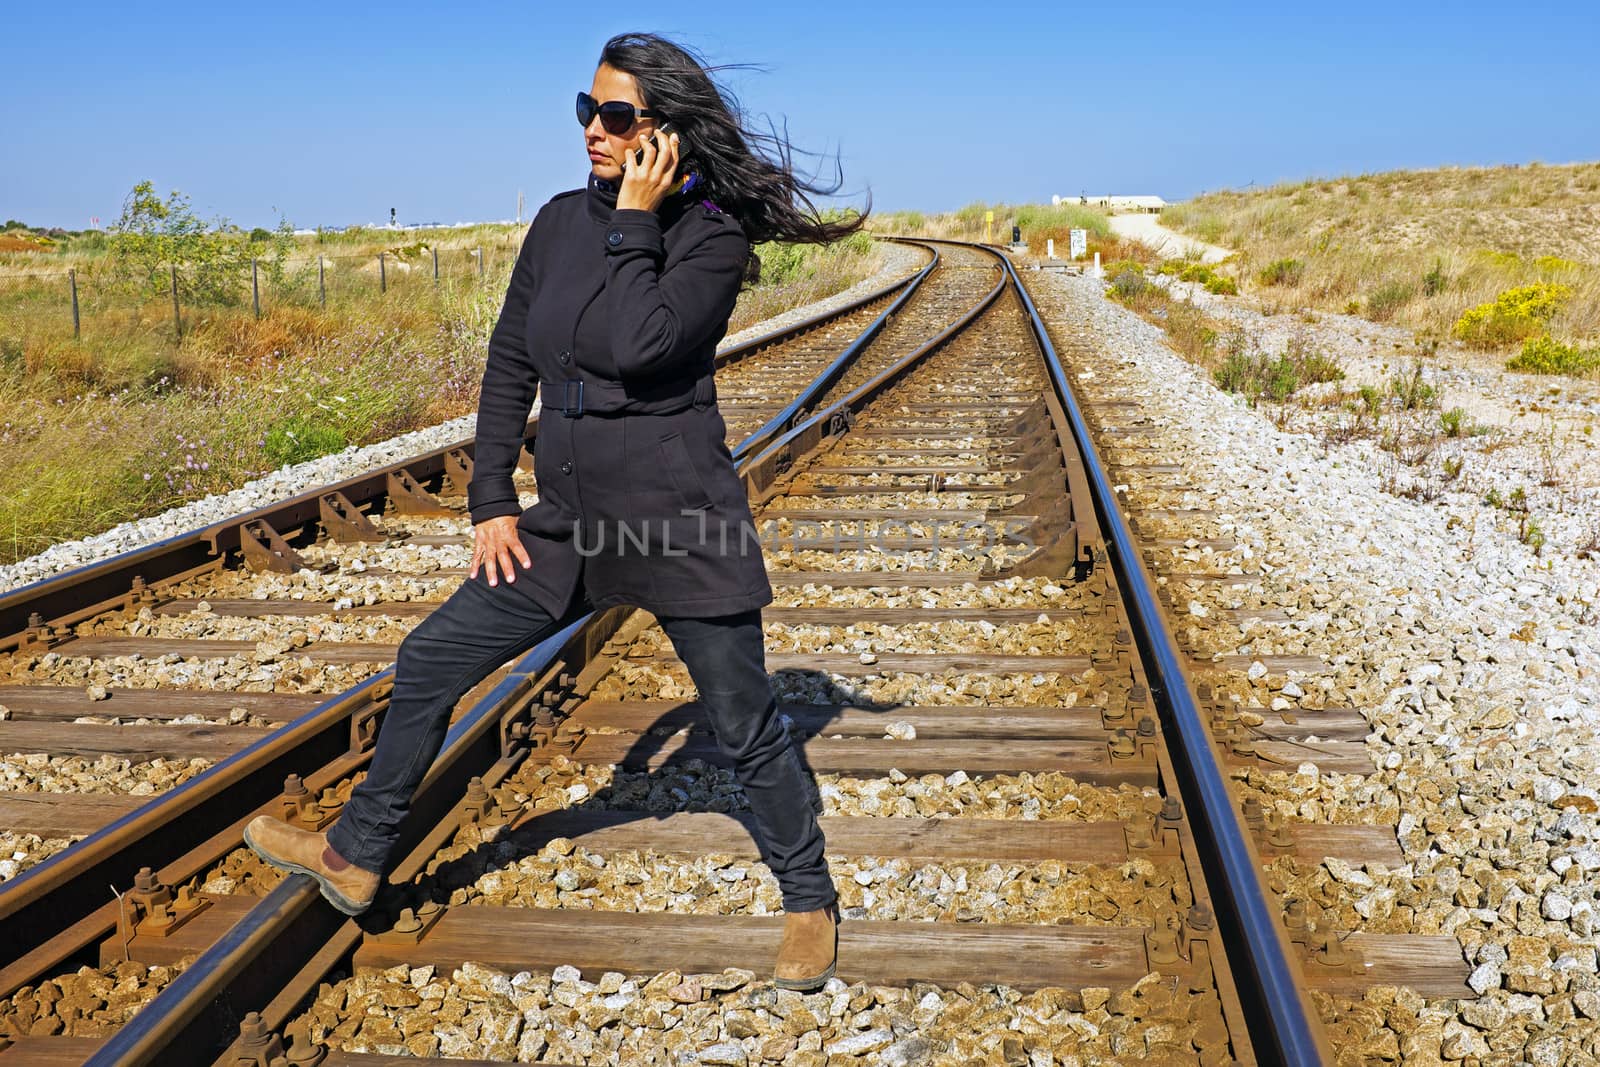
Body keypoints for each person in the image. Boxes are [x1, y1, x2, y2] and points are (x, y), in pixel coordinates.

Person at [244, 31, 869, 992]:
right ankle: (358, 853)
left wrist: (634, 218)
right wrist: (491, 494)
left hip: (674, 516)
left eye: (615, 117)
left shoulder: (710, 236)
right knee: (429, 660)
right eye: (588, 111)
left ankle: (808, 897)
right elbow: (509, 362)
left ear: (665, 132)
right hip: (569, 519)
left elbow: (637, 342)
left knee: (744, 721)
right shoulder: (554, 222)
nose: (593, 131)